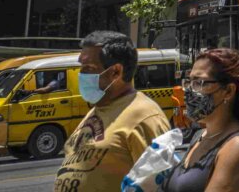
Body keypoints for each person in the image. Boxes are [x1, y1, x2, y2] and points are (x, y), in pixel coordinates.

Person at [54, 31, 170, 192]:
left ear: (115, 71)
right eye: (81, 67)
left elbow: (158, 184)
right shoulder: (98, 109)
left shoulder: (145, 117)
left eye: (88, 68)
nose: (81, 74)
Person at [162, 48, 239, 192]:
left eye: (199, 83)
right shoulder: (200, 137)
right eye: (189, 81)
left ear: (228, 91)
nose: (189, 91)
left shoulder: (238, 146)